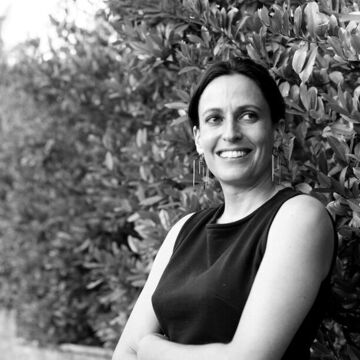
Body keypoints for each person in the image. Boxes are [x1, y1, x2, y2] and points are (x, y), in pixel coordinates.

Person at [112, 57, 337, 360]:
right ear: (198, 139)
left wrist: (153, 349)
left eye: (248, 115)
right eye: (215, 119)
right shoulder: (183, 231)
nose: (230, 133)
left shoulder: (299, 218)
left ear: (278, 132)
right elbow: (124, 353)